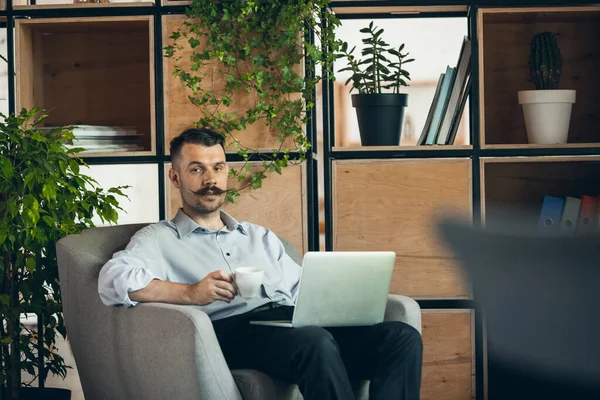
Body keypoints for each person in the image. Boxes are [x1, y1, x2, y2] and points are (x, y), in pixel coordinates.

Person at [98, 127, 423, 400]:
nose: (210, 179)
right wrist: (191, 293)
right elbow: (113, 280)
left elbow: (301, 290)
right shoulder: (159, 238)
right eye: (197, 169)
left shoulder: (259, 237)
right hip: (232, 333)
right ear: (175, 177)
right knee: (314, 342)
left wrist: (340, 306)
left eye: (218, 167)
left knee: (400, 338)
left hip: (290, 327)